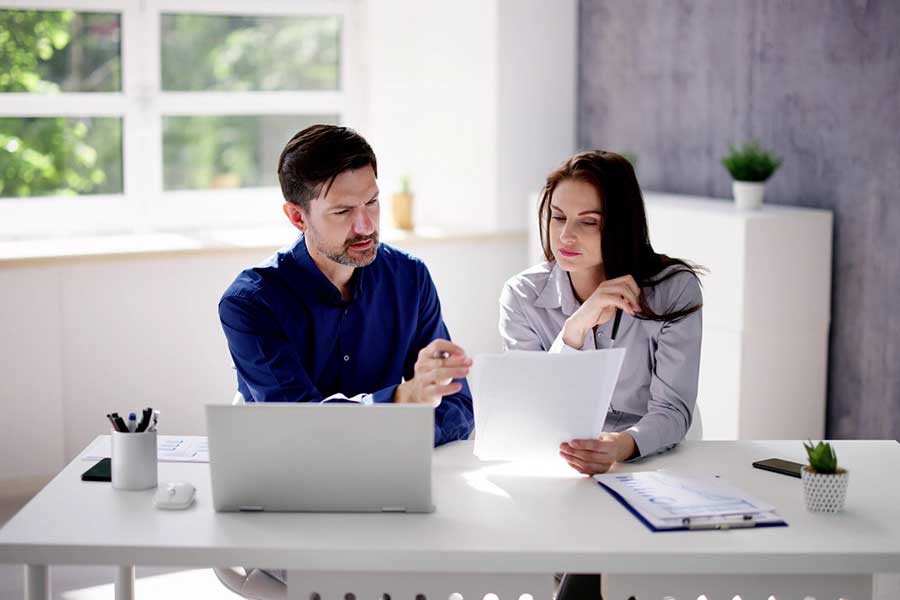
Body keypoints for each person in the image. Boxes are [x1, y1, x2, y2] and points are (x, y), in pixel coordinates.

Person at [499, 150, 703, 598]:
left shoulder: (674, 289)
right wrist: (576, 326)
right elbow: (529, 408)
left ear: (619, 224)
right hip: (558, 463)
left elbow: (672, 411)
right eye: (557, 218)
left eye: (587, 221)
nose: (566, 236)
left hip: (649, 461)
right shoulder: (522, 295)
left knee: (600, 559)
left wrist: (620, 445)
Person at [219, 124, 474, 444]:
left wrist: (400, 418)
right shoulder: (251, 303)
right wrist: (402, 403)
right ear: (298, 218)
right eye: (343, 211)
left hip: (390, 471)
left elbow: (458, 408)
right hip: (288, 479)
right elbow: (299, 427)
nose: (366, 226)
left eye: (372, 202)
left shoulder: (410, 278)